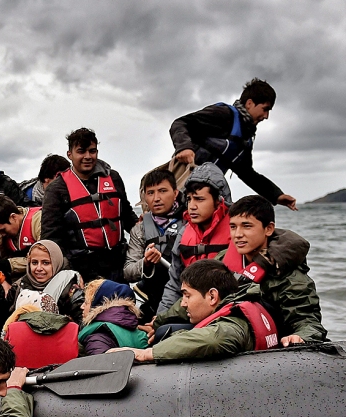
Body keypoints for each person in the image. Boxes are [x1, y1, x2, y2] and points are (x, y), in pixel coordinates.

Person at [114, 259, 280, 363]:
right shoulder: (242, 305)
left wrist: (146, 354)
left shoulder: (234, 325)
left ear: (212, 296)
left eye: (187, 296)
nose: (183, 304)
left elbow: (215, 338)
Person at [169, 78, 297, 210]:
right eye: (265, 109)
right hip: (180, 184)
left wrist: (277, 196)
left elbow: (247, 173)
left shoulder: (245, 137)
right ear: (249, 103)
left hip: (205, 195)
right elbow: (180, 124)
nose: (266, 116)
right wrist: (184, 147)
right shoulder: (223, 114)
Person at [217, 195, 326, 345]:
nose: (238, 234)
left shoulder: (291, 277)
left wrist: (302, 336)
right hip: (222, 329)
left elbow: (308, 322)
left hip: (267, 345)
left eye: (247, 226)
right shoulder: (222, 261)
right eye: (233, 227)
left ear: (268, 229)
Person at [41, 128, 138, 283]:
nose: (87, 156)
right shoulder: (57, 188)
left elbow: (127, 216)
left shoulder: (113, 178)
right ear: (69, 154)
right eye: (81, 151)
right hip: (81, 270)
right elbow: (51, 236)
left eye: (92, 151)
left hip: (117, 264)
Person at [158, 164, 233, 313]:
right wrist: (160, 318)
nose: (191, 206)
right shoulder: (183, 234)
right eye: (189, 199)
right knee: (161, 332)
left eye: (199, 199)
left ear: (219, 200)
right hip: (192, 312)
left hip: (227, 313)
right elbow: (174, 286)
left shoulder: (237, 230)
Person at [123, 168, 185, 319]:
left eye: (163, 191)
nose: (156, 198)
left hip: (185, 300)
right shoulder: (139, 229)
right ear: (144, 197)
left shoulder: (191, 220)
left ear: (175, 193)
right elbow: (128, 271)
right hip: (154, 301)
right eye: (150, 193)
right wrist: (146, 263)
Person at [4, 240, 84, 324]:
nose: (39, 268)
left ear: (56, 262)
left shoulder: (71, 290)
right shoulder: (19, 286)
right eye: (34, 263)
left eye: (46, 263)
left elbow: (81, 322)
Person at [77, 279, 147, 356]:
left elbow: (99, 365)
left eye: (86, 302)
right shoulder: (139, 333)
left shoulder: (97, 337)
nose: (82, 306)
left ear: (96, 305)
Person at [0, 195, 42, 283]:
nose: (2, 234)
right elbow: (3, 257)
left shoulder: (38, 221)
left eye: (3, 230)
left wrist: (3, 264)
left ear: (13, 217)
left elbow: (44, 261)